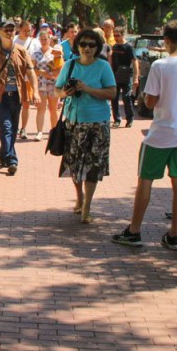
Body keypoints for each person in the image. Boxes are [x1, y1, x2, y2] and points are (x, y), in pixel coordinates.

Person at [112, 20, 177, 250]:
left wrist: (153, 98)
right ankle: (174, 234)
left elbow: (150, 101)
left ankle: (134, 230)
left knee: (146, 179)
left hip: (161, 132)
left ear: (166, 40)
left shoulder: (160, 66)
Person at [55, 28, 116, 223]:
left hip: (98, 123)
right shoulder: (70, 65)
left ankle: (87, 206)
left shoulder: (103, 66)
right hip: (74, 122)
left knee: (93, 166)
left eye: (91, 45)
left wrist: (87, 88)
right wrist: (66, 92)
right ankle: (79, 197)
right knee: (74, 164)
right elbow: (57, 90)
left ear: (98, 47)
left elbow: (112, 93)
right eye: (83, 44)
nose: (87, 48)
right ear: (77, 46)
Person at [0, 20, 39, 175]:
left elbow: (31, 72)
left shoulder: (21, 51)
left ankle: (3, 155)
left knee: (13, 129)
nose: (9, 33)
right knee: (6, 128)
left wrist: (36, 91)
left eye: (12, 30)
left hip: (16, 96)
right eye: (6, 30)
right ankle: (12, 160)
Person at [32, 26, 61, 141]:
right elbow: (32, 69)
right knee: (41, 109)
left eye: (46, 39)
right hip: (41, 84)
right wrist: (42, 73)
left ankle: (54, 132)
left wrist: (52, 74)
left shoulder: (55, 52)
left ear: (50, 40)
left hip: (53, 84)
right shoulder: (35, 53)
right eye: (42, 39)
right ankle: (39, 132)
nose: (44, 41)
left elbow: (60, 68)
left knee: (53, 109)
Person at [108, 25, 138, 128]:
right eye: (114, 35)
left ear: (122, 35)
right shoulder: (114, 47)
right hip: (115, 76)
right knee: (114, 98)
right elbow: (111, 61)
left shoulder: (128, 47)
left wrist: (136, 77)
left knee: (126, 98)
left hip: (126, 76)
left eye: (118, 35)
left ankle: (129, 119)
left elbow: (135, 62)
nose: (116, 37)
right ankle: (117, 119)